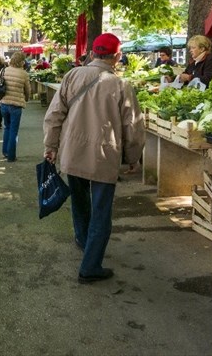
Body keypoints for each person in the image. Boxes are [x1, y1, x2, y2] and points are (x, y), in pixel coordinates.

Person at [42, 33, 145, 284]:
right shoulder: (121, 86)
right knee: (101, 211)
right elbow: (133, 126)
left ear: (92, 53)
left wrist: (50, 146)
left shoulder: (72, 76)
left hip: (72, 152)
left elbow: (54, 114)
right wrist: (133, 157)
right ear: (117, 57)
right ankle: (90, 266)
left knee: (79, 201)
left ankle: (82, 239)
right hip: (103, 156)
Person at [0, 52, 31, 162]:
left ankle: (5, 152)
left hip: (4, 103)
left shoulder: (5, 70)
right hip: (16, 105)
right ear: (22, 61)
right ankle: (11, 156)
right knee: (14, 130)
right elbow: (27, 90)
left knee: (7, 128)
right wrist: (26, 98)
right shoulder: (24, 74)